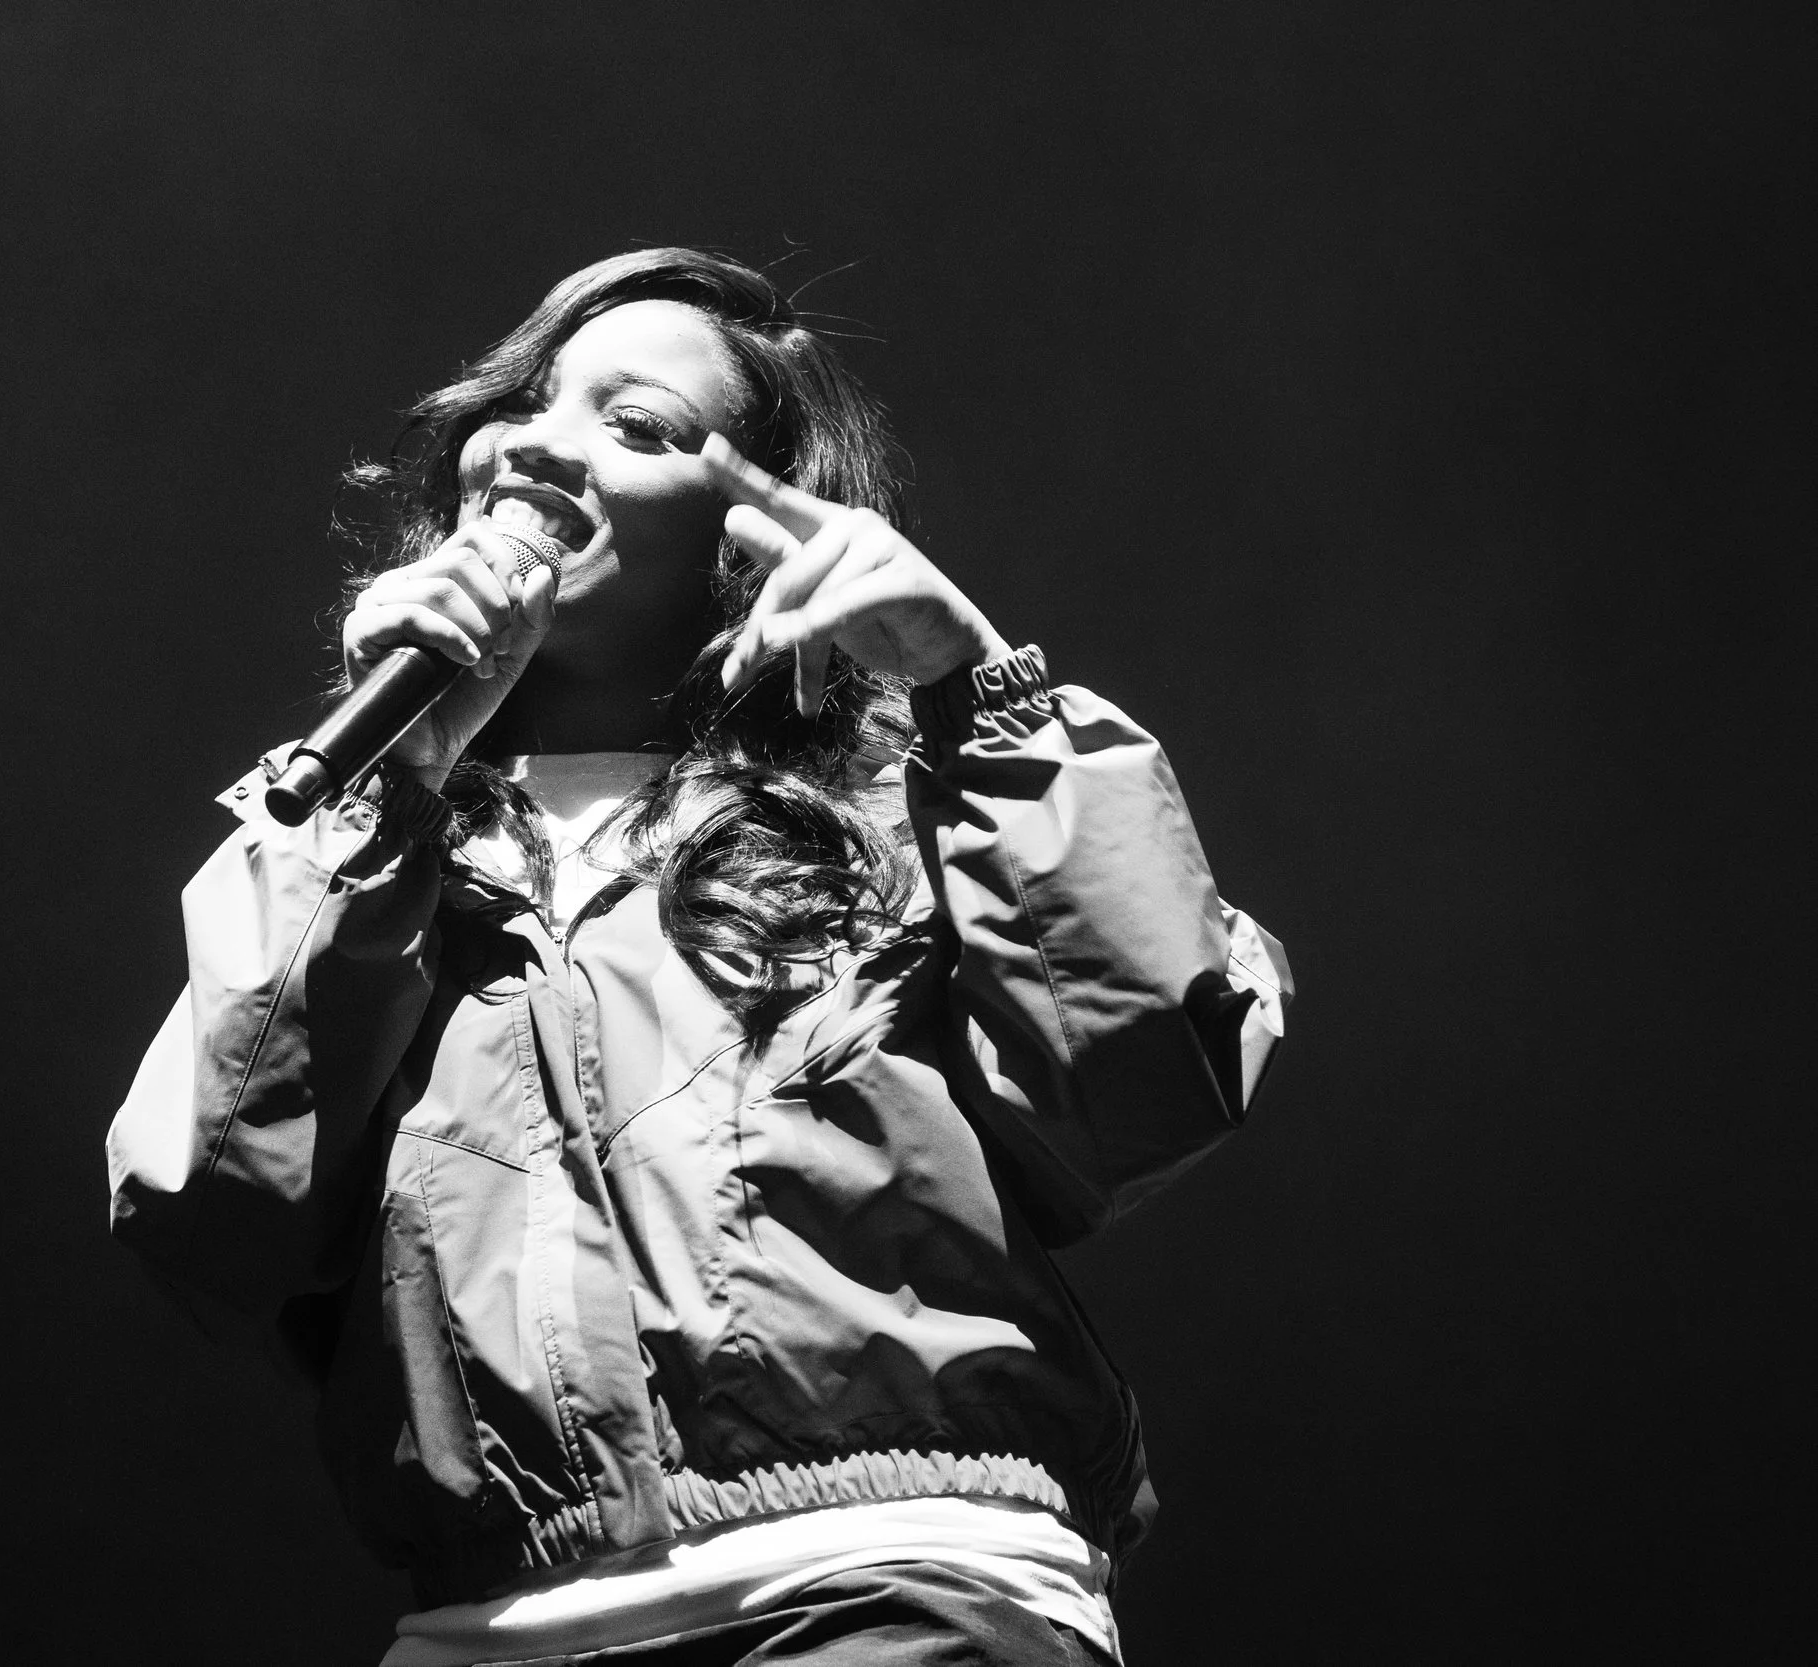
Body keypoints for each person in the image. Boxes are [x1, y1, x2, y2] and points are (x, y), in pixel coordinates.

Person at [107, 248, 1291, 1666]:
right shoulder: (359, 852)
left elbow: (1148, 1080)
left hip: (891, 1587)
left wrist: (977, 685)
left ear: (746, 535)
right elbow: (209, 1220)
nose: (542, 441)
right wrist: (389, 797)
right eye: (530, 400)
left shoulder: (909, 807)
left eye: (639, 423)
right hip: (495, 1629)